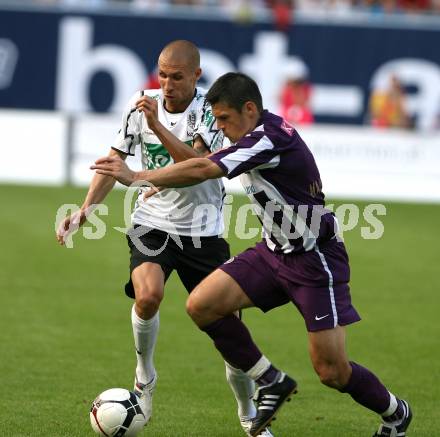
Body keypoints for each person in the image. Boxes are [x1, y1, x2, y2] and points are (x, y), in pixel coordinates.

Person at [91, 72, 413, 437]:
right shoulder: (253, 133)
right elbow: (200, 162)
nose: (222, 128)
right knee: (202, 305)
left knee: (332, 372)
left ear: (249, 109)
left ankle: (395, 413)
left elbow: (203, 167)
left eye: (225, 119)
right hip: (273, 253)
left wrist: (137, 177)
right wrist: (161, 178)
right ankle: (270, 380)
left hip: (314, 260)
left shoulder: (267, 139)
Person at [57, 44, 273, 437]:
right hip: (151, 222)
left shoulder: (210, 112)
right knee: (148, 295)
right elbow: (114, 161)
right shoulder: (139, 107)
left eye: (177, 77)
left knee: (229, 334)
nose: (168, 84)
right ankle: (145, 375)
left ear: (196, 76)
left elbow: (196, 167)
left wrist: (155, 131)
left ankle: (248, 414)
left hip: (203, 231)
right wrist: (86, 209)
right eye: (162, 75)